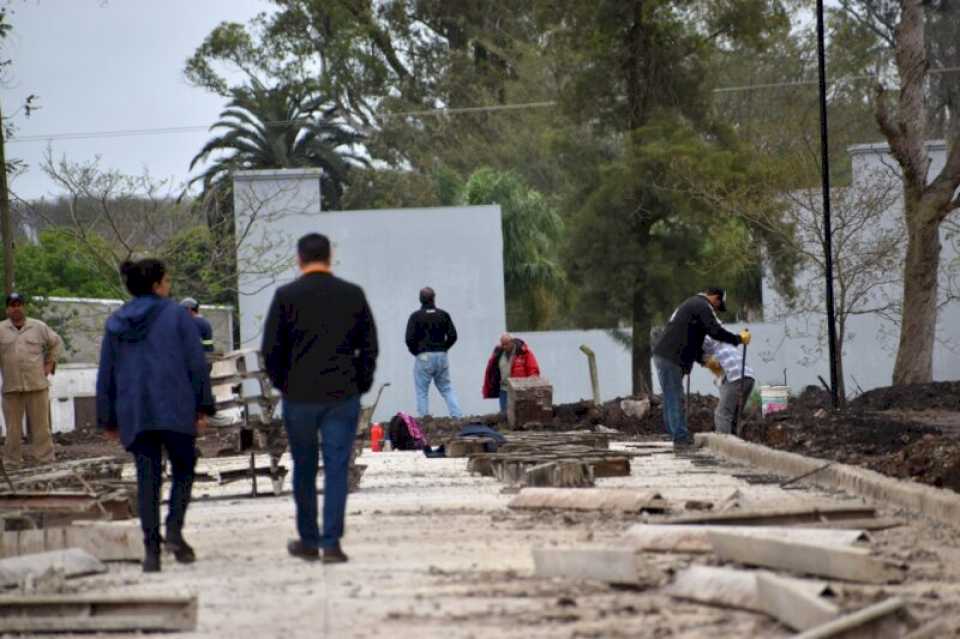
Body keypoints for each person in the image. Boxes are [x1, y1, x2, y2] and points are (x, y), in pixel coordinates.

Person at [262, 233, 378, 564]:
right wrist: (360, 382)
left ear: (299, 259)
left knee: (304, 467)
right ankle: (332, 543)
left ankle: (309, 540)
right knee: (338, 467)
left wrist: (285, 384)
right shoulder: (352, 295)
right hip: (342, 395)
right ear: (330, 257)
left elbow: (271, 350)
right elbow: (369, 346)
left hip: (299, 396)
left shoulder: (286, 297)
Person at [96, 259, 215, 573]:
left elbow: (106, 371)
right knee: (184, 469)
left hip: (135, 411)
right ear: (157, 284)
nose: (169, 284)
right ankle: (174, 530)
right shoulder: (177, 315)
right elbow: (196, 363)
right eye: (167, 279)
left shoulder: (116, 321)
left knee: (146, 479)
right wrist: (203, 406)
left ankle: (152, 551)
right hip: (175, 407)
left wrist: (107, 418)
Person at [652, 287, 750, 450]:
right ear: (715, 298)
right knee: (675, 397)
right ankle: (680, 438)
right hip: (670, 357)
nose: (716, 311)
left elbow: (691, 340)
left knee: (671, 397)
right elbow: (715, 331)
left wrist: (705, 360)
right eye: (718, 307)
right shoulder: (701, 305)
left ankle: (676, 435)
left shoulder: (690, 306)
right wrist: (738, 339)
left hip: (665, 355)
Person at [0, 293, 63, 467]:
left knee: (41, 428)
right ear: (7, 309)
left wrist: (50, 362)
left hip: (37, 385)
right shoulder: (1, 329)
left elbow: (56, 342)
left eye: (19, 304)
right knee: (12, 430)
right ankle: (12, 462)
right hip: (11, 388)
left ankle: (45, 460)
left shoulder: (38, 327)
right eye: (12, 305)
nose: (16, 308)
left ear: (24, 307)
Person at [405, 287, 463, 419]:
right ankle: (457, 416)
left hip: (423, 356)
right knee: (447, 388)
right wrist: (444, 348)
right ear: (434, 298)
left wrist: (416, 352)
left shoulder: (415, 317)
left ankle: (425, 419)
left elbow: (409, 339)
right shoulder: (443, 314)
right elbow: (453, 336)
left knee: (422, 391)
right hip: (441, 355)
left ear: (420, 299)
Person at [702, 336, 755, 434]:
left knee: (722, 414)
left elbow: (698, 345)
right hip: (748, 377)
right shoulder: (726, 342)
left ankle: (724, 444)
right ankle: (734, 444)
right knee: (734, 415)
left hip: (734, 376)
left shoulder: (705, 336)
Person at [482, 333, 541, 414]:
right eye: (502, 344)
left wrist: (533, 378)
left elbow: (532, 367)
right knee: (504, 414)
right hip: (504, 389)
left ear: (512, 342)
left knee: (520, 413)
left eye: (506, 344)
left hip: (519, 389)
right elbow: (491, 369)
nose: (504, 347)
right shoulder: (498, 354)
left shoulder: (523, 352)